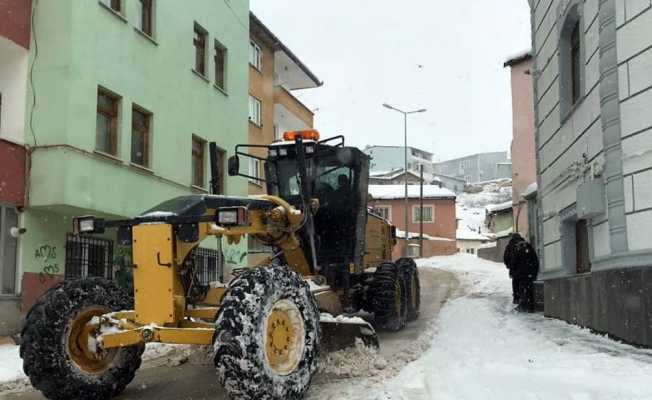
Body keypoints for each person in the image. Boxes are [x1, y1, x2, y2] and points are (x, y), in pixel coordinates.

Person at [512, 238, 539, 312]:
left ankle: (523, 306)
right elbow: (535, 262)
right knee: (529, 290)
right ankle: (531, 307)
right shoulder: (530, 249)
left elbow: (514, 263)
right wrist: (534, 274)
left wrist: (514, 273)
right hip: (529, 274)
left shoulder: (519, 251)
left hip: (521, 275)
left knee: (522, 290)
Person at [503, 233, 524, 304]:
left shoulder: (510, 245)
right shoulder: (524, 244)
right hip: (524, 268)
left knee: (515, 282)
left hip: (514, 268)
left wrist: (509, 265)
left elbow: (506, 257)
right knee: (523, 282)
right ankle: (523, 297)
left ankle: (516, 298)